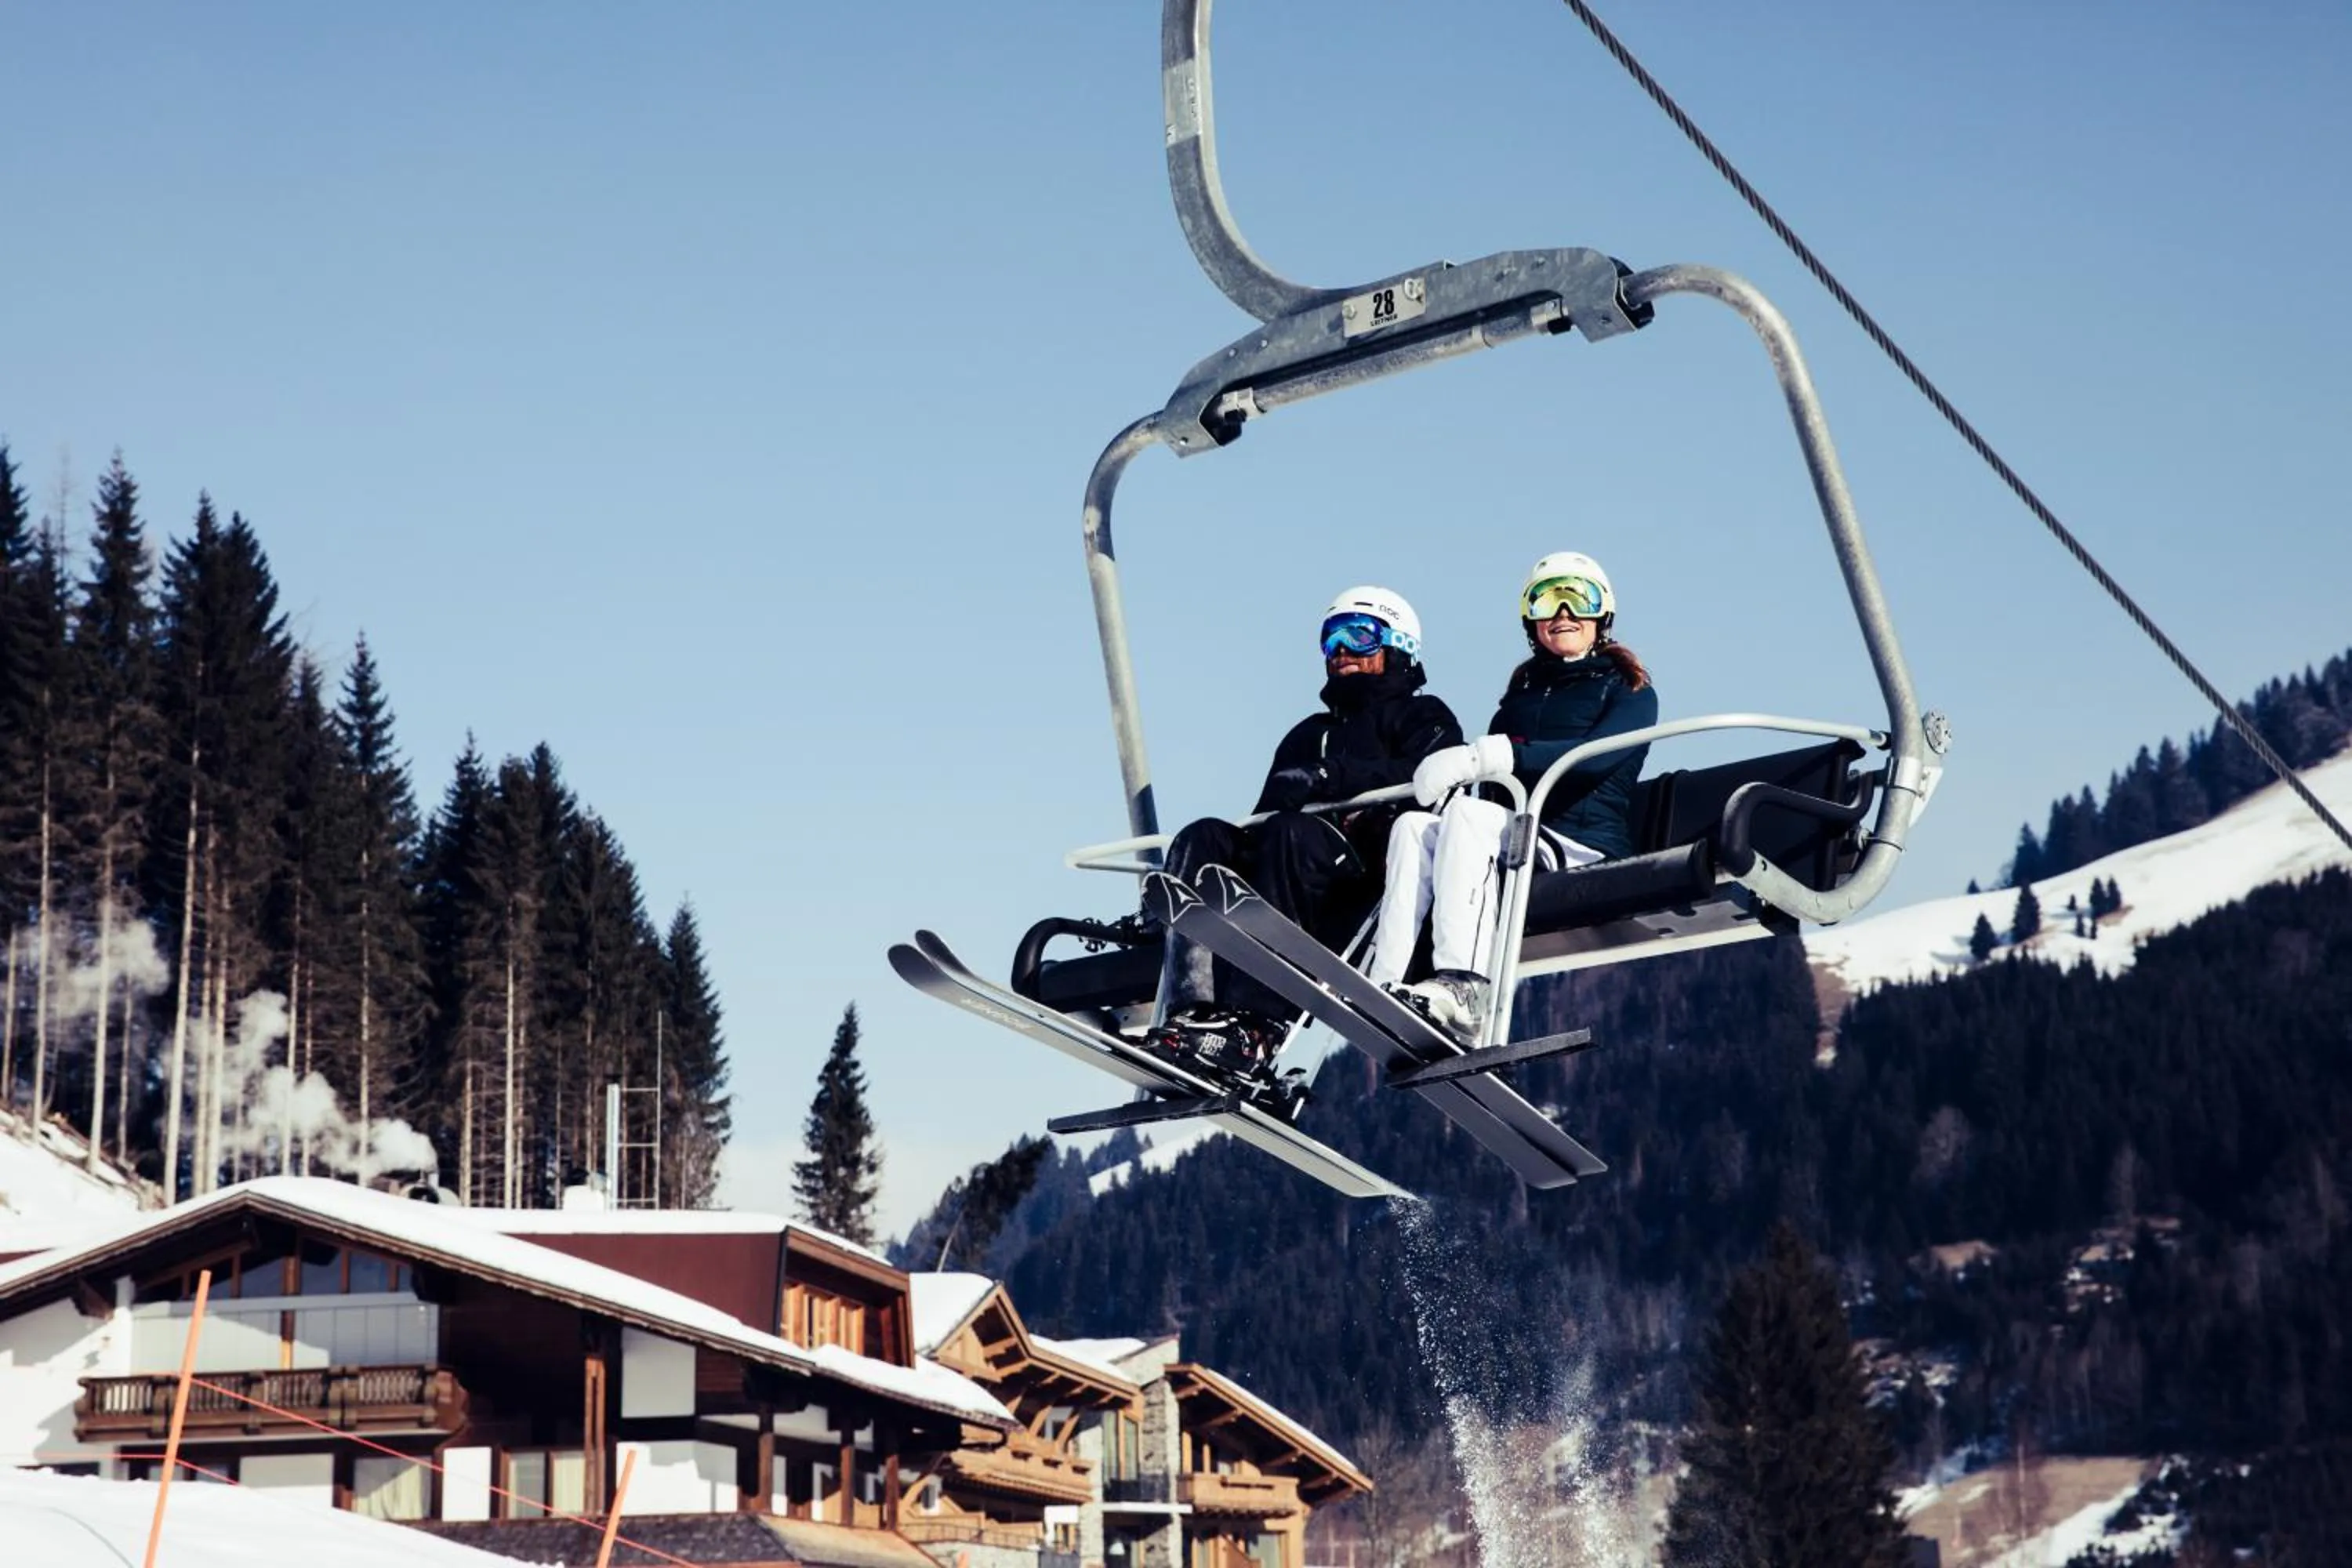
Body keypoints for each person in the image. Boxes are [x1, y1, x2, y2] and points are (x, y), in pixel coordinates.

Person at [1149, 586, 1464, 1077]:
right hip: (1290, 862)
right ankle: (1190, 1014)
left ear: (1400, 645)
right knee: (1203, 837)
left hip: (1366, 872)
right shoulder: (1307, 732)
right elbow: (1262, 818)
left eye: (1359, 636)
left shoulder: (1424, 715)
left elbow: (1429, 777)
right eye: (1330, 638)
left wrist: (1329, 778)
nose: (1341, 650)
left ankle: (1258, 1028)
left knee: (1292, 833)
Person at [1366, 552, 1658, 1044]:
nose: (1563, 613)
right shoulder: (1519, 697)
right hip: (1520, 840)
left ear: (1600, 615)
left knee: (1471, 817)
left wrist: (1493, 754)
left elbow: (1593, 759)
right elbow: (1490, 791)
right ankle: (1384, 981)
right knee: (1414, 827)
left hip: (1582, 843)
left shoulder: (1628, 689)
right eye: (1548, 601)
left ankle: (1467, 988)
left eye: (1577, 598)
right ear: (1532, 620)